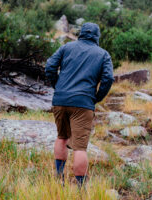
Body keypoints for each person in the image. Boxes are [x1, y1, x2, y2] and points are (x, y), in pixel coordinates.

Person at [45, 22, 114, 187]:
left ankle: (58, 178)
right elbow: (108, 79)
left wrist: (58, 87)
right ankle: (81, 188)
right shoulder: (103, 54)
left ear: (81, 33)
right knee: (80, 148)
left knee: (61, 137)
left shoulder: (66, 47)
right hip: (83, 103)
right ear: (97, 36)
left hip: (60, 100)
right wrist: (96, 98)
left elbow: (49, 67)